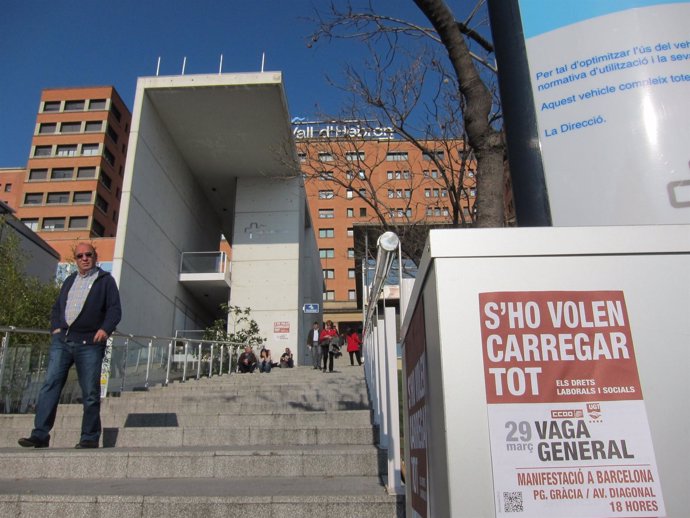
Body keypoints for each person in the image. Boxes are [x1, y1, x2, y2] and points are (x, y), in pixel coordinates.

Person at [19, 242, 121, 449]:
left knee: (90, 391)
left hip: (90, 344)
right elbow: (57, 308)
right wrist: (56, 328)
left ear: (95, 256)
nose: (84, 258)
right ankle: (40, 434)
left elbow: (114, 309)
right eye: (80, 256)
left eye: (88, 254)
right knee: (50, 386)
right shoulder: (69, 280)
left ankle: (90, 437)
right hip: (63, 341)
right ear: (75, 260)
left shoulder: (105, 281)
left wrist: (105, 329)